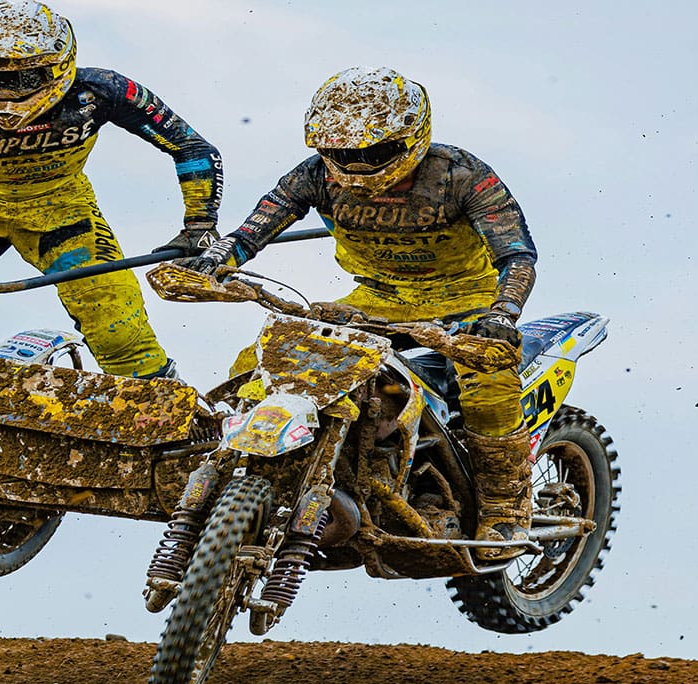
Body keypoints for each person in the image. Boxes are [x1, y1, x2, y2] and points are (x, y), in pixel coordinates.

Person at [182, 67, 537, 561]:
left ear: (412, 137)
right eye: (344, 154)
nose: (356, 164)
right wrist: (217, 260)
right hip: (376, 297)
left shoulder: (461, 175)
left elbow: (516, 254)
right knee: (262, 357)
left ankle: (504, 507)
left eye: (372, 152)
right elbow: (254, 229)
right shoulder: (314, 174)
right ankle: (232, 457)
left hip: (465, 299)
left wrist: (502, 314)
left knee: (488, 382)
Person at [0, 1, 223, 470]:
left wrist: (199, 227)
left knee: (115, 317)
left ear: (60, 63)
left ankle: (166, 417)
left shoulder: (103, 90)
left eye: (24, 78)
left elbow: (192, 146)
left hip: (61, 208)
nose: (6, 94)